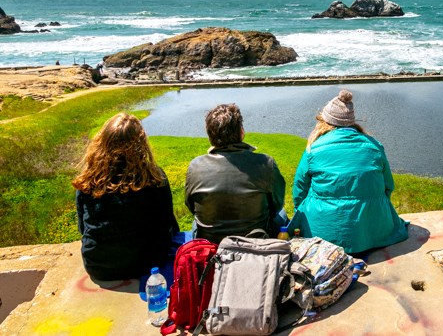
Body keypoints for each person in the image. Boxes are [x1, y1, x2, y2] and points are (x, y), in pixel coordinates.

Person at [289, 90, 409, 254]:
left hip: (323, 232)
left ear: (325, 122)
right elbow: (388, 186)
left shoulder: (313, 149)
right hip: (374, 231)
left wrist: (300, 215)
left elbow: (299, 190)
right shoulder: (374, 146)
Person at [73, 113, 179, 281]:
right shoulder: (154, 177)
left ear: (103, 142)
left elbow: (82, 228)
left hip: (98, 265)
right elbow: (166, 223)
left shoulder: (88, 180)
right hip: (147, 262)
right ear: (141, 144)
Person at [185, 104, 285, 243]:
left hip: (212, 243)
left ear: (210, 136)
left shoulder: (195, 166)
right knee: (282, 213)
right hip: (255, 240)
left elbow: (191, 206)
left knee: (196, 222)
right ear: (241, 132)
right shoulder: (265, 163)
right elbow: (277, 205)